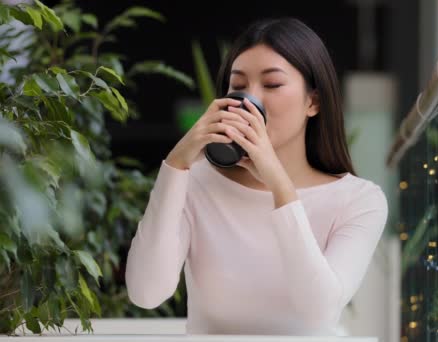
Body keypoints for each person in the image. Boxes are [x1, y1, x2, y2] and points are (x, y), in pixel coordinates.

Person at [125, 17, 388, 336]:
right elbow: (147, 292)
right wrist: (176, 165)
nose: (251, 100)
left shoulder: (360, 200)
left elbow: (318, 311)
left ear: (313, 101)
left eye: (272, 84)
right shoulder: (197, 183)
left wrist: (279, 186)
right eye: (238, 86)